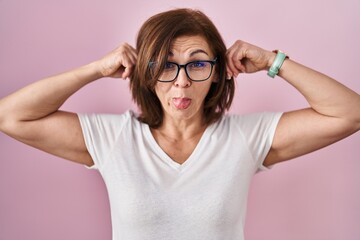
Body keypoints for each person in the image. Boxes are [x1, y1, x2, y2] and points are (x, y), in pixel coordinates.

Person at [0, 8, 359, 240]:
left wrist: (272, 61)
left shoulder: (246, 139)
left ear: (218, 74)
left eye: (197, 63)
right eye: (165, 65)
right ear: (145, 73)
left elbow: (350, 112)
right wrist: (94, 69)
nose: (181, 82)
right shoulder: (112, 138)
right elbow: (10, 116)